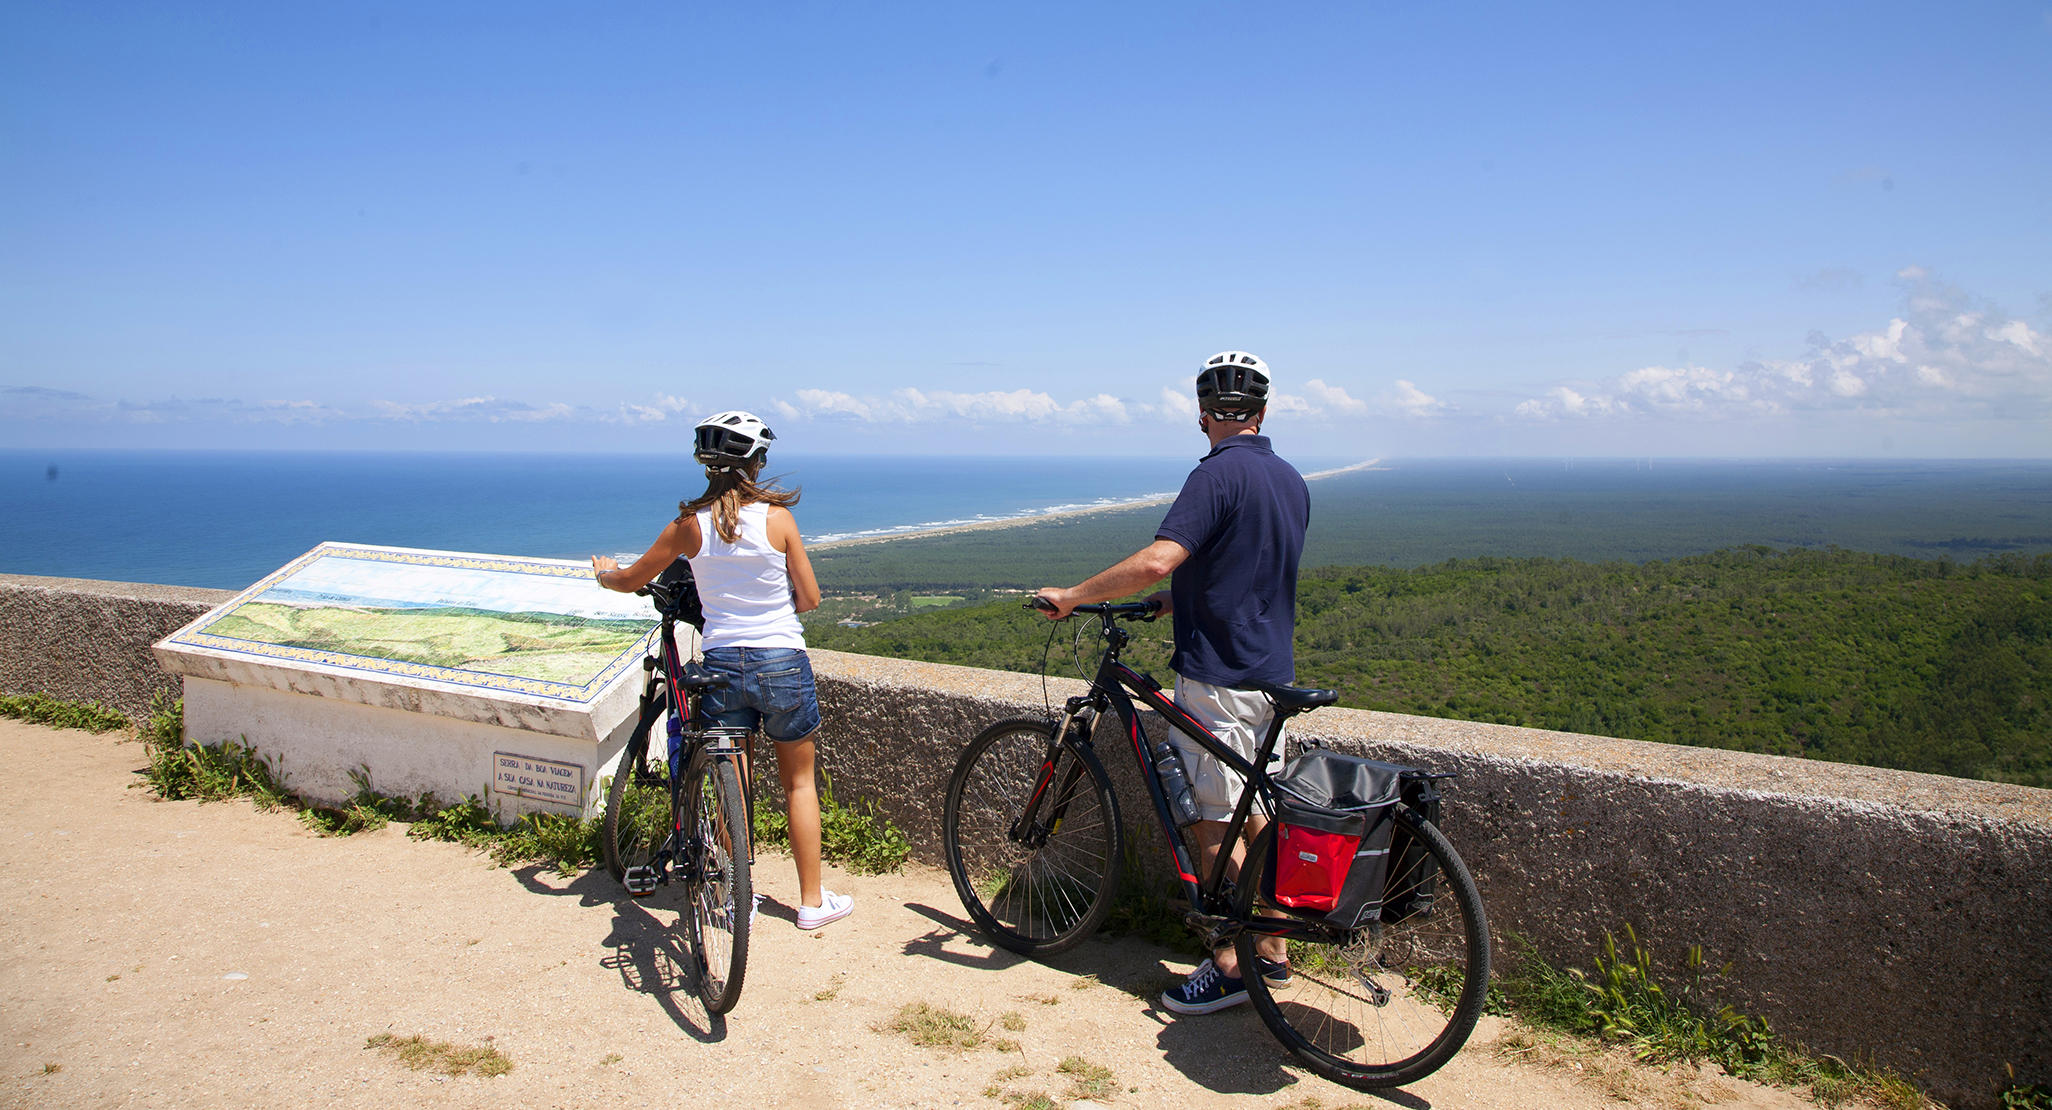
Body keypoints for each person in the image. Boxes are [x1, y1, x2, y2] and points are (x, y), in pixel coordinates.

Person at [1034, 351, 1309, 1015]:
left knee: (1214, 820)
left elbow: (1162, 558)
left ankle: (1230, 965)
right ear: (1263, 412)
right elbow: (1245, 569)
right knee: (1258, 818)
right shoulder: (1290, 479)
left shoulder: (1214, 474)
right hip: (1270, 674)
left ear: (1203, 415)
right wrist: (1174, 604)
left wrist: (1073, 596)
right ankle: (1272, 952)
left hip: (1218, 678)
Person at [592, 410, 854, 931]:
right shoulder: (779, 520)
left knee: (734, 790)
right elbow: (810, 599)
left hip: (722, 667)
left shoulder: (688, 525)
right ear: (755, 465)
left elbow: (631, 579)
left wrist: (604, 574)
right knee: (799, 785)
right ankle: (810, 903)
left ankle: (738, 900)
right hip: (781, 661)